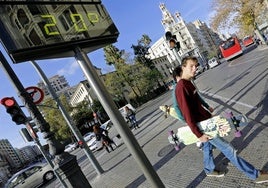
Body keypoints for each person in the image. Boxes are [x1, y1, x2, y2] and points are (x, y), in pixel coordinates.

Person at [173, 56, 268, 183]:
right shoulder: (181, 87)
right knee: (229, 150)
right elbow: (187, 114)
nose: (195, 68)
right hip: (204, 128)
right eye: (191, 66)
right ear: (183, 67)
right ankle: (255, 175)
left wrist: (208, 113)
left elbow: (197, 105)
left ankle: (209, 169)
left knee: (207, 147)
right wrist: (199, 135)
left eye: (196, 66)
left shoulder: (189, 83)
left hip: (207, 123)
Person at [172, 66, 213, 149]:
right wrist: (185, 120)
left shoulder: (186, 83)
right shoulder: (177, 89)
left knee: (209, 139)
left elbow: (197, 97)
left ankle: (207, 158)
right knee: (214, 140)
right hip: (193, 118)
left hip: (202, 115)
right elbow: (176, 107)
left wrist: (207, 106)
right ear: (177, 77)